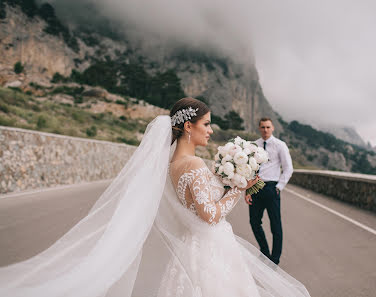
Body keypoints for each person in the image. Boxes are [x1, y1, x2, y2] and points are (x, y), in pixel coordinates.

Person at [0, 98, 310, 297]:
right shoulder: (194, 165)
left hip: (190, 250)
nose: (211, 130)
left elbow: (193, 201)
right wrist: (238, 190)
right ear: (188, 127)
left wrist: (229, 179)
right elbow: (210, 215)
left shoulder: (171, 165)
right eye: (206, 124)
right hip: (209, 252)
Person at [245, 117, 294, 265]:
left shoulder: (280, 145)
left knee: (275, 225)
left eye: (268, 127)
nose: (265, 130)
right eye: (262, 127)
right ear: (259, 128)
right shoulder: (254, 145)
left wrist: (279, 187)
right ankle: (265, 252)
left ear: (272, 128)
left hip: (272, 188)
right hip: (255, 187)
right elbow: (249, 170)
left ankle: (275, 259)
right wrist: (247, 191)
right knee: (254, 222)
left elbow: (288, 168)